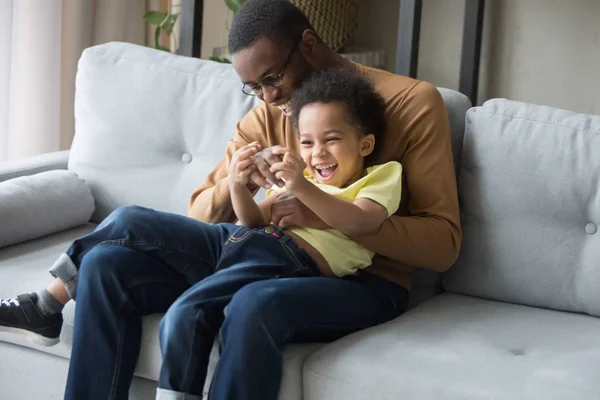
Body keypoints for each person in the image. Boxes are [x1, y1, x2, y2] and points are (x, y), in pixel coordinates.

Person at [0, 0, 460, 398]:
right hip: (258, 251)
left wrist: (322, 216)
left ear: (308, 43)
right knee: (105, 267)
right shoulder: (265, 114)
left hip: (361, 279)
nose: (267, 96)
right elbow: (201, 210)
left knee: (253, 304)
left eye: (273, 78)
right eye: (254, 86)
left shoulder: (412, 103)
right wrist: (240, 182)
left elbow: (442, 246)